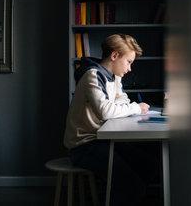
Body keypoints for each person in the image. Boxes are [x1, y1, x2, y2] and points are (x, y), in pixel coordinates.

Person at [64, 34, 157, 206]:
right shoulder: (93, 75)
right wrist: (136, 108)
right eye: (129, 62)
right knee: (131, 185)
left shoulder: (114, 76)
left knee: (149, 166)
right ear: (114, 56)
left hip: (102, 139)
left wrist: (119, 105)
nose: (129, 69)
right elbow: (106, 112)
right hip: (84, 145)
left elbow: (122, 99)